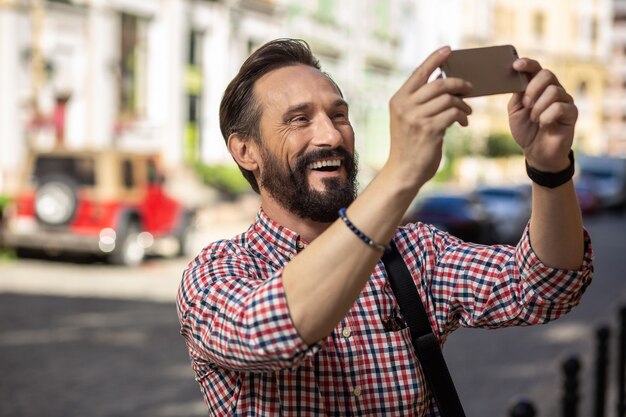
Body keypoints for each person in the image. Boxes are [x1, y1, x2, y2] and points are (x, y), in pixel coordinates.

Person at [176, 38, 593, 415]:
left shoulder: (414, 252)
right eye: (300, 119)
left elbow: (545, 287)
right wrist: (401, 172)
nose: (331, 135)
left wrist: (549, 168)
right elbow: (270, 333)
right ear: (245, 150)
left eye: (338, 115)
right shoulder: (216, 273)